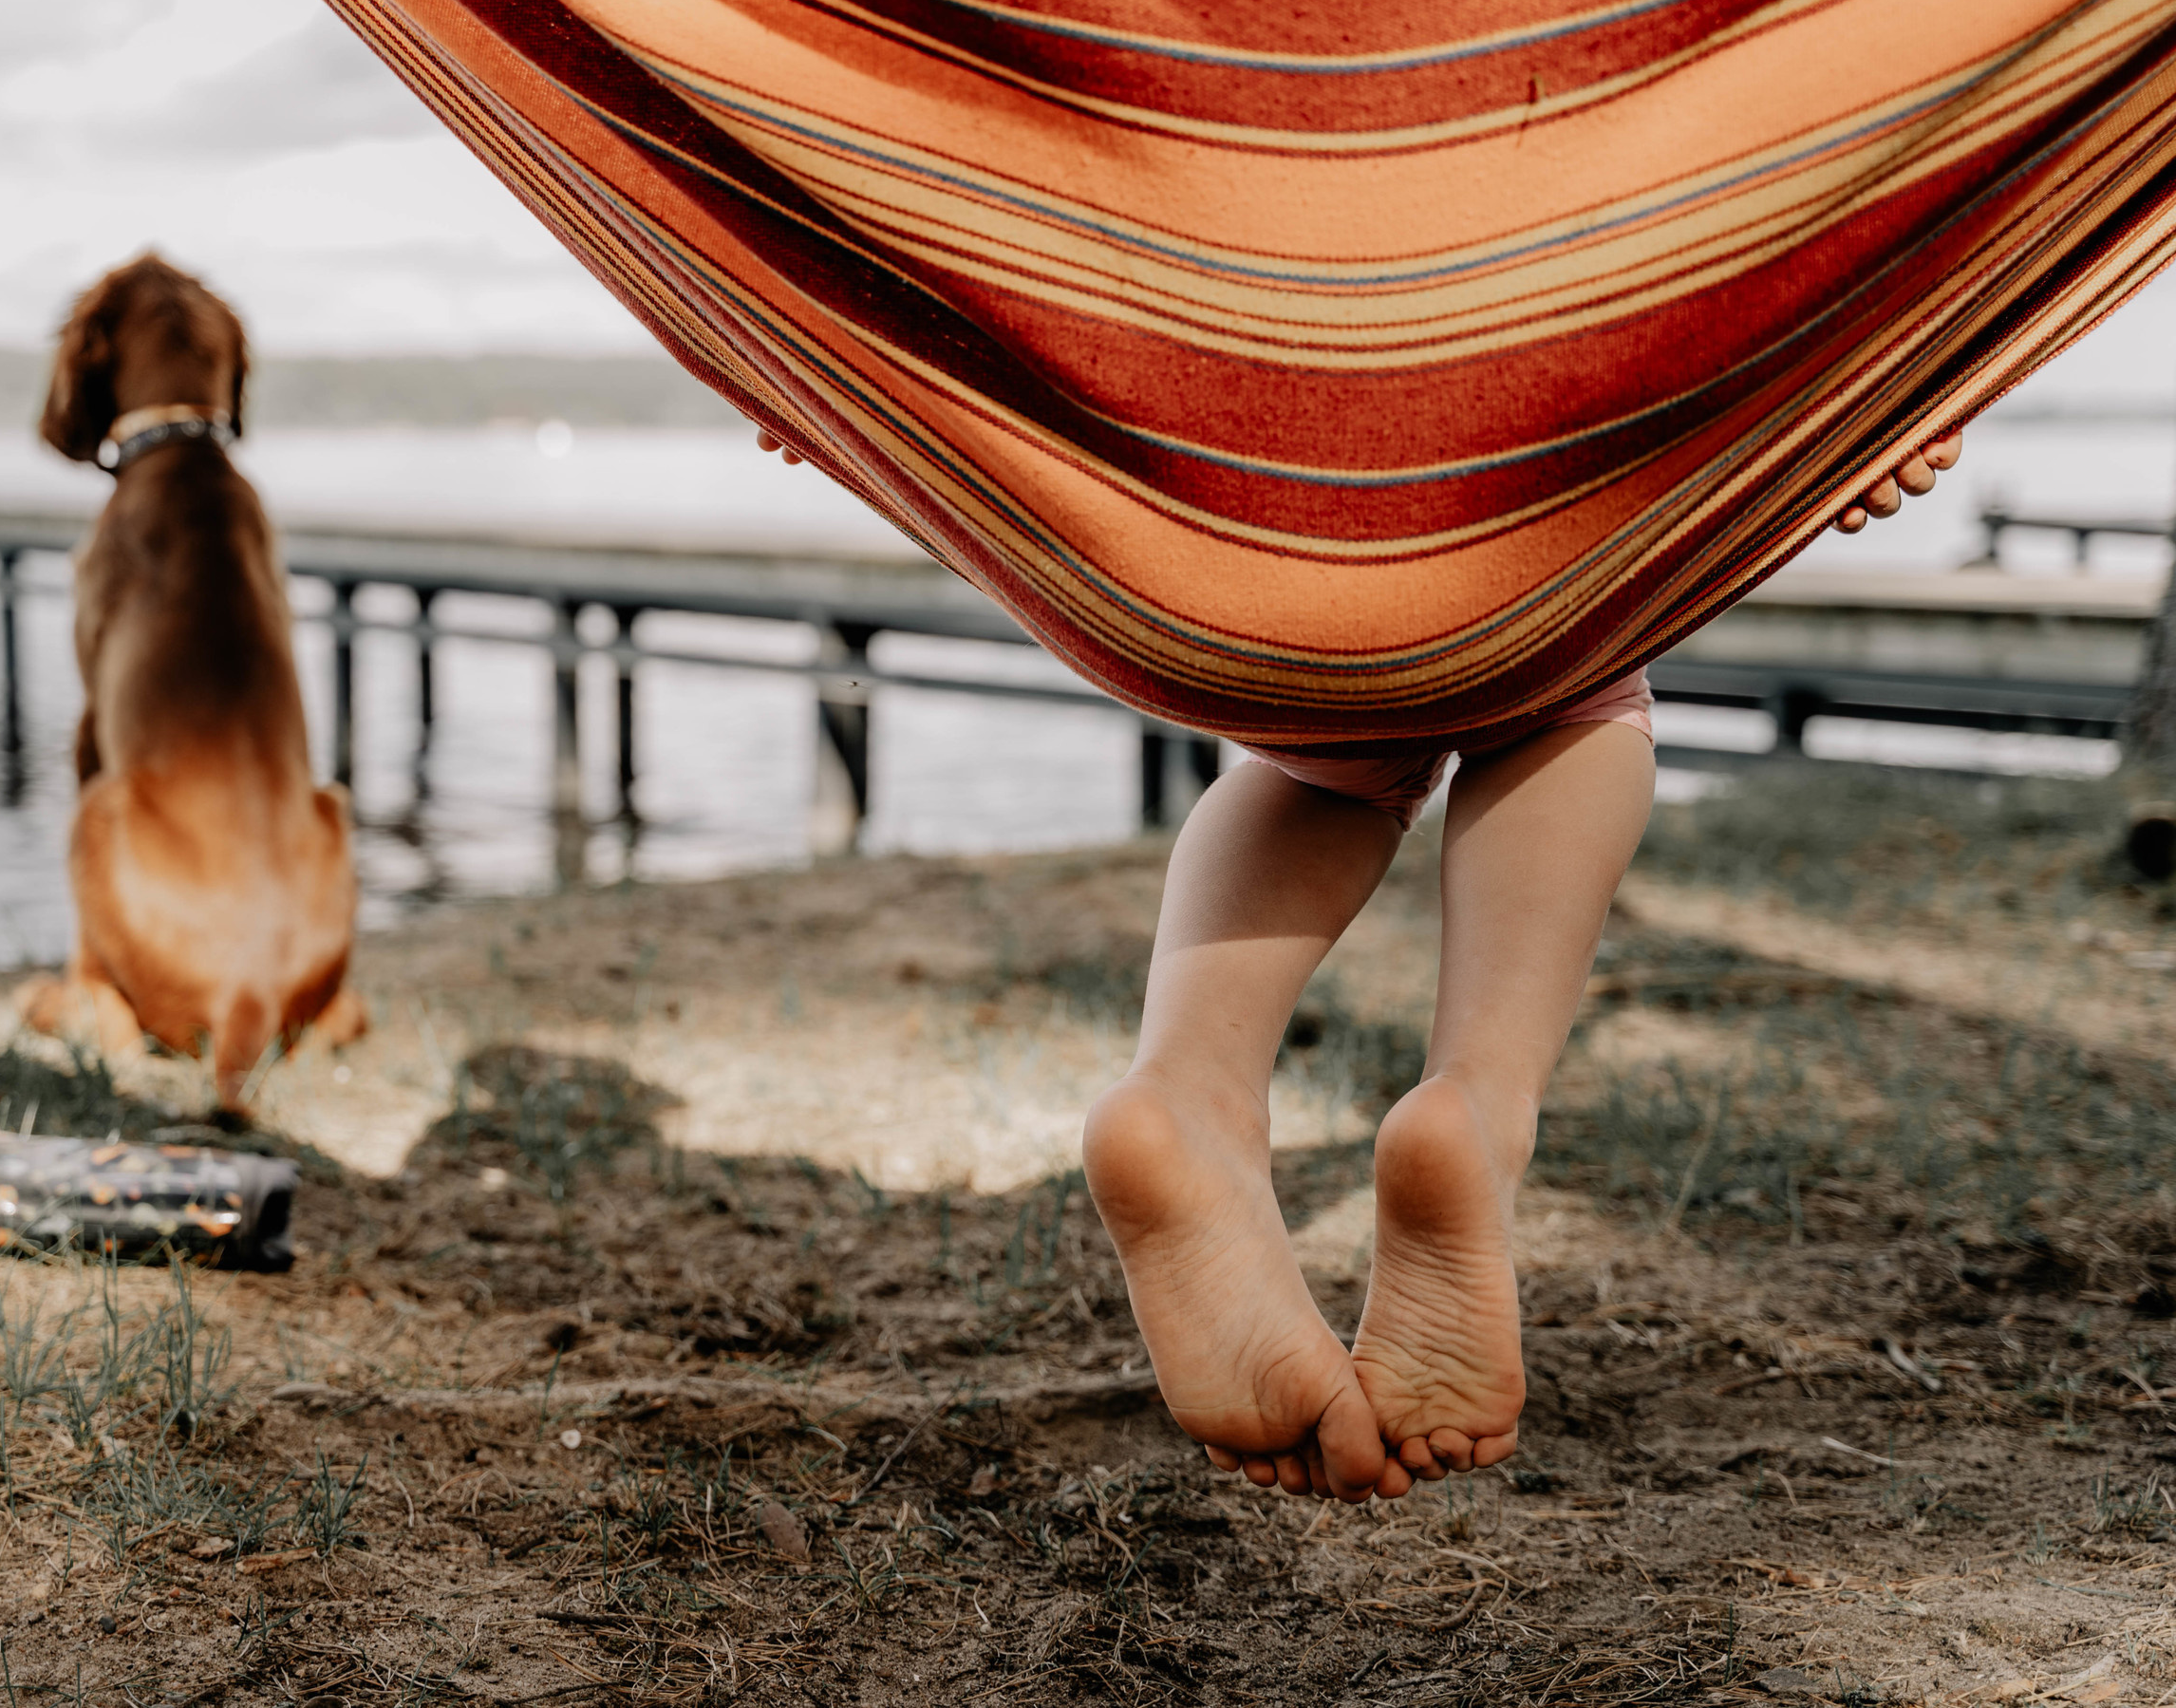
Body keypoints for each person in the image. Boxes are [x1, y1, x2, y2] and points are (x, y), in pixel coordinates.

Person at [760, 426, 1960, 1501]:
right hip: (1522, 427)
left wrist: (808, 356)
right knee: (1570, 694)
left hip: (1240, 474)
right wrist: (1902, 370)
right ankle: (1474, 1107)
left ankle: (1189, 1089)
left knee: (1327, 757)